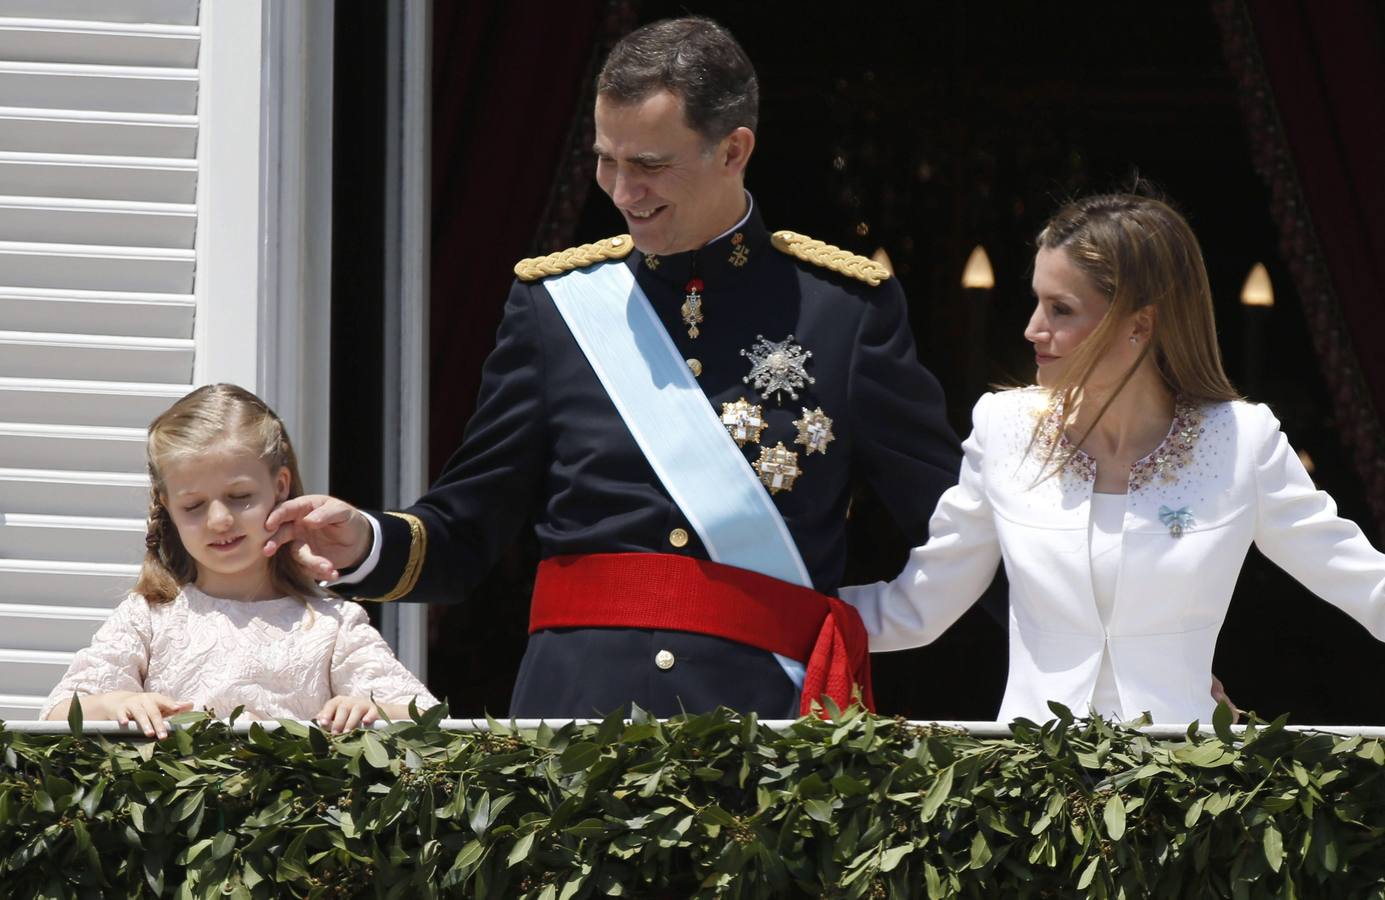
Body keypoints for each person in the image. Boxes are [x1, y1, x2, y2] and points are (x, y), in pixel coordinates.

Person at [263, 17, 964, 718]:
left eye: (650, 165)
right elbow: (468, 525)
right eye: (607, 160)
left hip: (763, 727)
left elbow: (956, 523)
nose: (623, 191)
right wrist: (364, 540)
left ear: (734, 150)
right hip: (578, 717)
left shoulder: (843, 313)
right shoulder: (555, 307)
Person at [840, 191, 1385, 724]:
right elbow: (919, 606)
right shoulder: (1003, 427)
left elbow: (1362, 581)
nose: (1033, 328)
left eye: (1061, 309)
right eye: (1036, 301)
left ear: (1139, 324)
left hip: (1187, 793)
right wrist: (771, 619)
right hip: (1027, 791)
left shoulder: (1244, 440)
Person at [42, 384, 438, 738]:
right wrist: (116, 704)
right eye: (194, 505)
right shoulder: (148, 617)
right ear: (168, 507)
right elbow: (56, 716)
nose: (219, 520)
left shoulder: (332, 625)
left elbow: (427, 718)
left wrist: (372, 709)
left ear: (279, 487)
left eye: (239, 497)